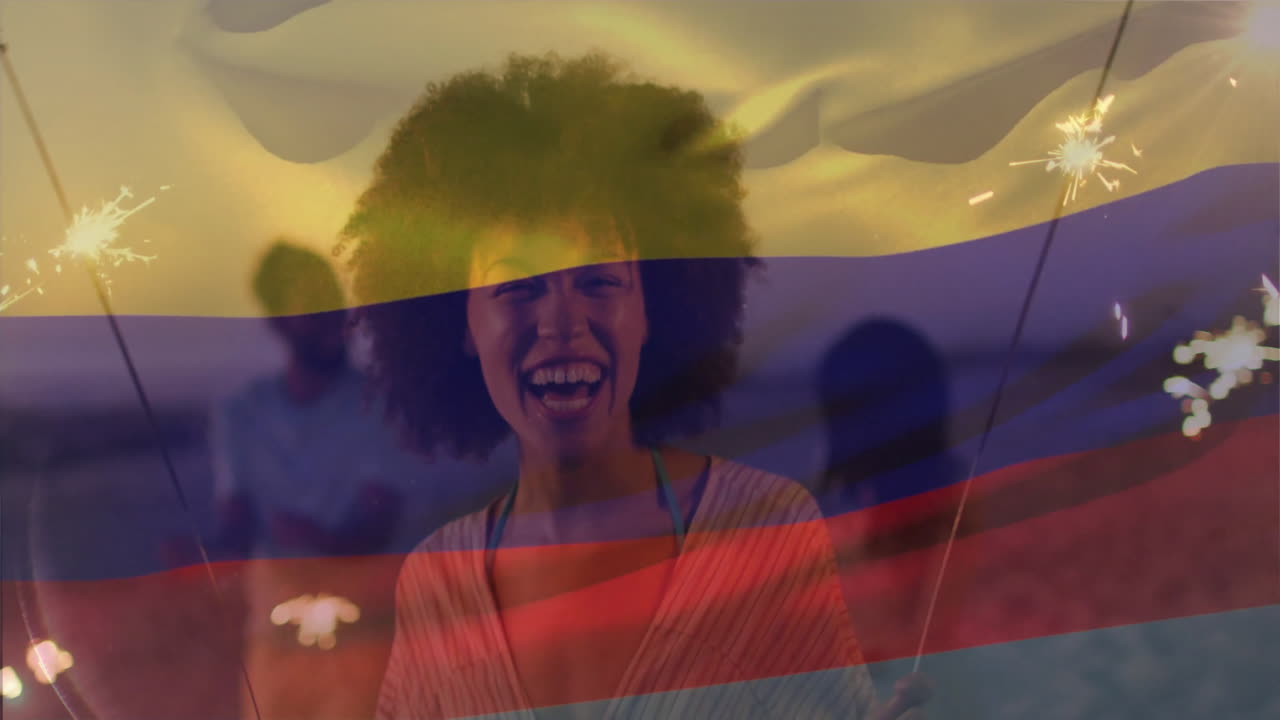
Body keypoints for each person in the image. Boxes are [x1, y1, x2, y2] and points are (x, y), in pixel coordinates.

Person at [343, 51, 929, 719]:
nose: (562, 322)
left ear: (655, 307)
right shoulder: (435, 581)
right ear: (460, 324)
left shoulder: (762, 532)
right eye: (519, 287)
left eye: (599, 281)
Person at [206, 239, 415, 720]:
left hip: (366, 642)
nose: (332, 322)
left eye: (334, 303)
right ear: (277, 321)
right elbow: (235, 523)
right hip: (274, 650)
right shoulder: (240, 414)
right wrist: (201, 552)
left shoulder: (380, 405)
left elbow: (380, 520)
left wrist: (320, 539)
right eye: (311, 306)